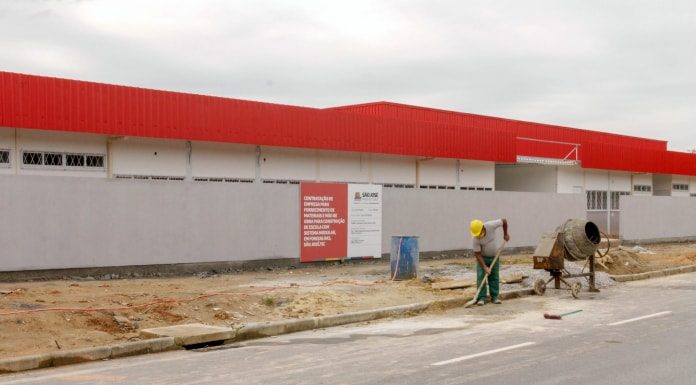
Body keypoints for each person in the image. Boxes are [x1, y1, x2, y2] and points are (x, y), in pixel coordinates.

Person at [470, 218, 510, 305]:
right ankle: (481, 298)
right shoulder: (475, 239)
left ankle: (495, 297)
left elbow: (504, 221)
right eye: (477, 234)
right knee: (481, 278)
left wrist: (505, 234)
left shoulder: (490, 226)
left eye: (480, 233)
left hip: (494, 257)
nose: (479, 235)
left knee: (494, 277)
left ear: (483, 228)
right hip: (482, 259)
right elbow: (477, 254)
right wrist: (485, 267)